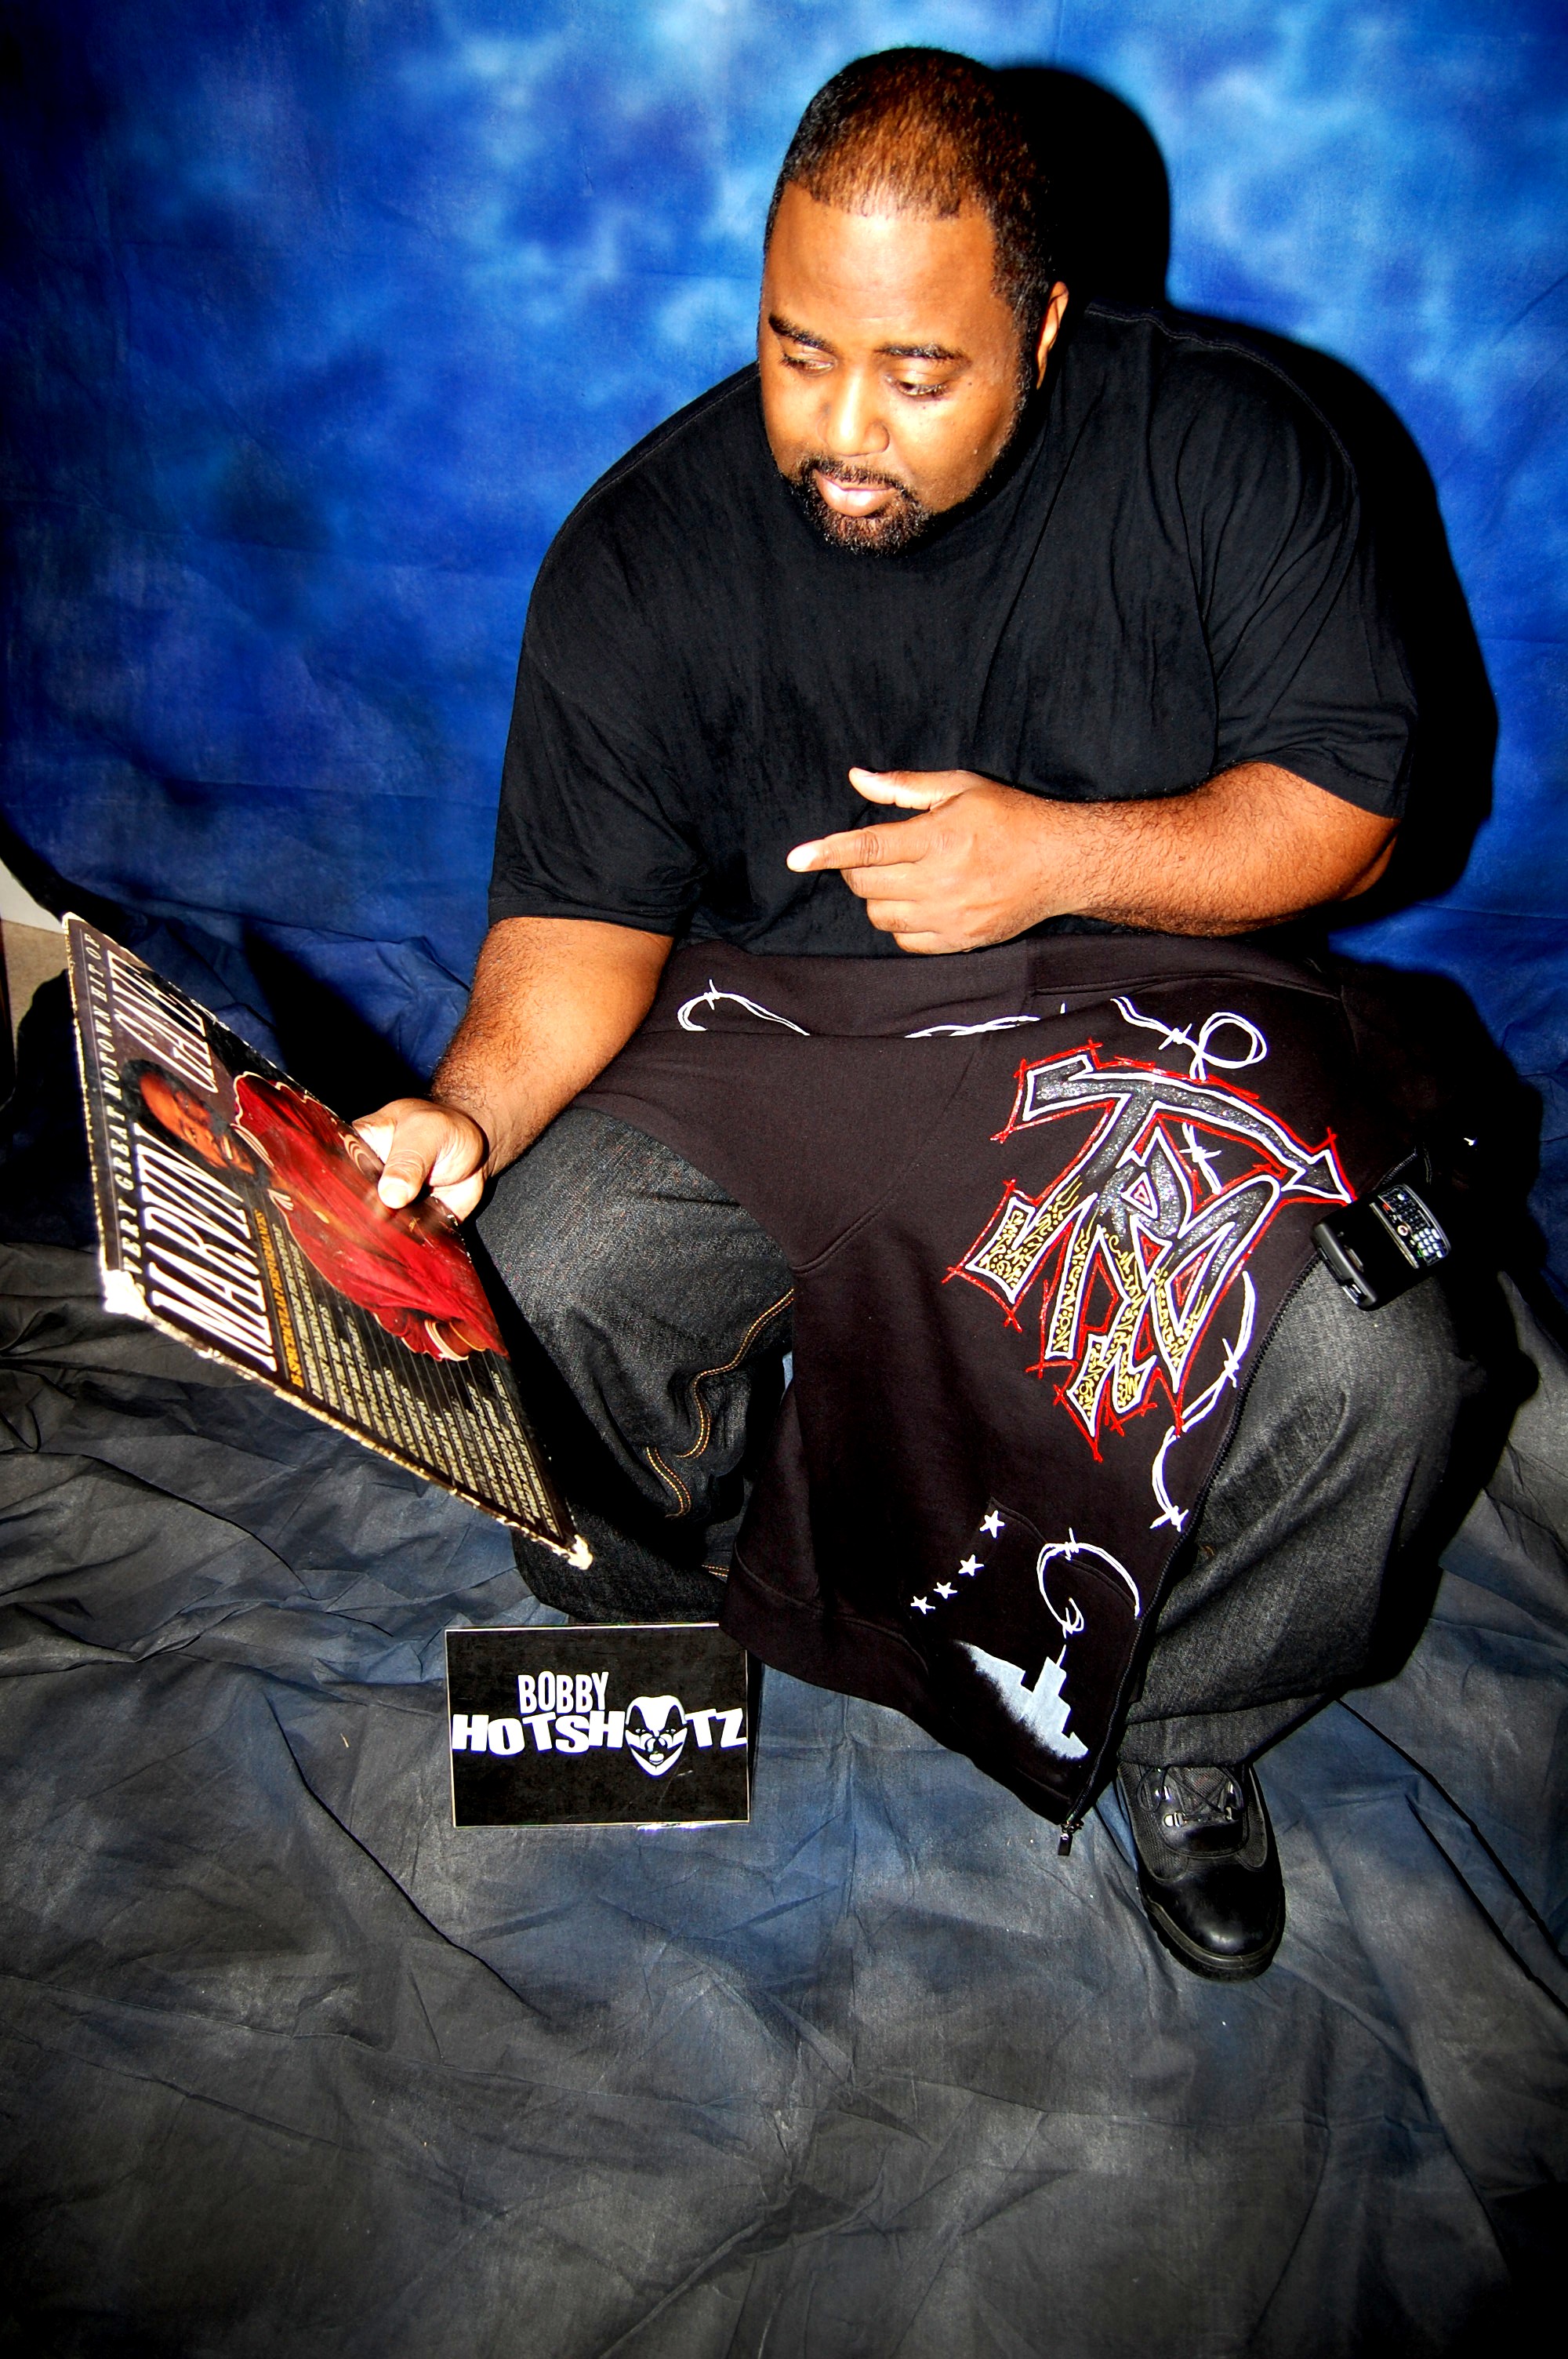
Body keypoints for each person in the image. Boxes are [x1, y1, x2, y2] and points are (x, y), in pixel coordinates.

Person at [354, 51, 1482, 1979]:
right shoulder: (646, 542)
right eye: (798, 353)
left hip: (1145, 1014)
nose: (841, 430)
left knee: (1389, 1365)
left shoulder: (1230, 448)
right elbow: (573, 926)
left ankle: (1191, 1724)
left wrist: (1051, 857)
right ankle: (656, 1626)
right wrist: (469, 1109)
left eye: (916, 371)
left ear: (1040, 327)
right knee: (536, 1272)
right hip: (777, 1028)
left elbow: (1348, 814)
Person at [130, 1061, 504, 1359]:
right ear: (195, 1156)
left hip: (487, 1222)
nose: (201, 1125)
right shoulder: (285, 1246)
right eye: (187, 1132)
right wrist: (473, 1333)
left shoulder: (264, 1107)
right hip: (509, 1332)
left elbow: (365, 1140)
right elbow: (408, 1329)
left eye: (185, 1104)